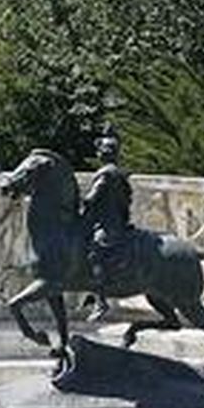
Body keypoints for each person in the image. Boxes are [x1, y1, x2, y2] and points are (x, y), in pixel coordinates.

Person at [82, 124, 136, 321]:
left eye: (102, 151)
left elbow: (91, 199)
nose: (99, 153)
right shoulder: (119, 172)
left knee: (94, 251)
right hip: (117, 221)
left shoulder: (106, 173)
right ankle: (91, 289)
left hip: (108, 226)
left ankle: (101, 301)